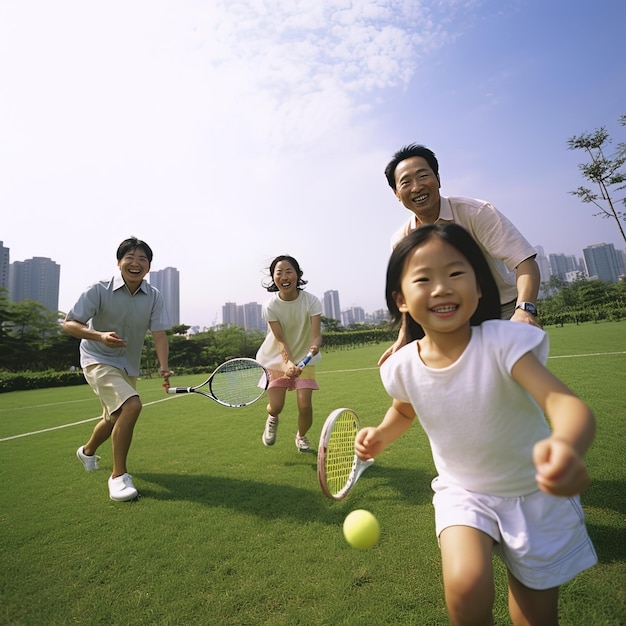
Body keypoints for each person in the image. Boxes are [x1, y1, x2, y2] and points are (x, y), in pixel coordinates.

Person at [355, 224, 597, 626]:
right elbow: (404, 411)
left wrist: (568, 445)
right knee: (465, 585)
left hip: (533, 493)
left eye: (455, 273)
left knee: (535, 615)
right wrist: (381, 435)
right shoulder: (401, 367)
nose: (442, 288)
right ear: (400, 299)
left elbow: (565, 404)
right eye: (423, 279)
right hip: (463, 492)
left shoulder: (505, 343)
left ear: (479, 287)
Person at [380, 143, 542, 364]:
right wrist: (403, 337)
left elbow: (524, 261)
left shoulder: (476, 213)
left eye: (423, 176)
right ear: (397, 194)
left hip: (501, 312)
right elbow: (408, 295)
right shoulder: (402, 240)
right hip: (445, 318)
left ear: (438, 178)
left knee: (513, 384)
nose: (416, 187)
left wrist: (524, 310)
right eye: (406, 182)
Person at [63, 237, 172, 502]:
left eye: (142, 259)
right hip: (96, 358)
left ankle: (87, 451)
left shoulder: (154, 296)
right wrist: (99, 336)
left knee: (113, 419)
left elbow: (159, 335)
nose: (136, 264)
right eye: (130, 258)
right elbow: (69, 324)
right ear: (119, 262)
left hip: (127, 365)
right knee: (132, 406)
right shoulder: (98, 290)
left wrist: (164, 367)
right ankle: (118, 477)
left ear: (149, 266)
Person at [256, 255, 323, 452]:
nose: (284, 276)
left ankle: (301, 437)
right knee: (276, 406)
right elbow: (280, 339)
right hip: (275, 359)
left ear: (297, 275)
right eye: (279, 273)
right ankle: (272, 418)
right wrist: (287, 363)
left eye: (288, 271)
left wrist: (313, 348)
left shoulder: (312, 301)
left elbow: (316, 336)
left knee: (305, 406)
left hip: (305, 359)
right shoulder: (270, 306)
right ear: (273, 278)